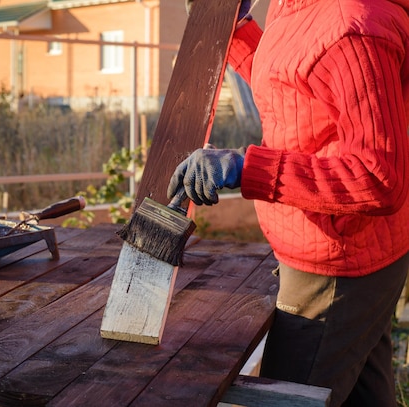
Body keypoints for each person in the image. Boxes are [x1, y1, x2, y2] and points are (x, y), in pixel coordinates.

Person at [168, 0, 409, 405]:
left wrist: (247, 170)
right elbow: (293, 86)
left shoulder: (354, 26)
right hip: (349, 250)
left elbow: (377, 177)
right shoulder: (297, 6)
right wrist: (238, 28)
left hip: (336, 267)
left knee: (289, 397)